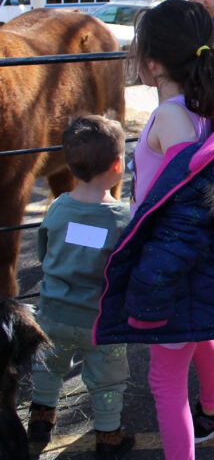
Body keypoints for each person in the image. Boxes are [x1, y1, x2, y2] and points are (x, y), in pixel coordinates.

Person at [94, 0, 214, 460]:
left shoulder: (171, 118)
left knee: (164, 380)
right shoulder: (203, 106)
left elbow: (188, 195)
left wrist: (152, 281)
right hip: (194, 260)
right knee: (200, 338)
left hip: (176, 263)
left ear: (153, 63)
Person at [27, 115, 134, 459]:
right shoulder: (121, 219)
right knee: (108, 379)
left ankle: (40, 419)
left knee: (48, 367)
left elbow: (44, 252)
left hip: (53, 313)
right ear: (118, 165)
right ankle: (108, 435)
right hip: (100, 322)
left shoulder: (57, 209)